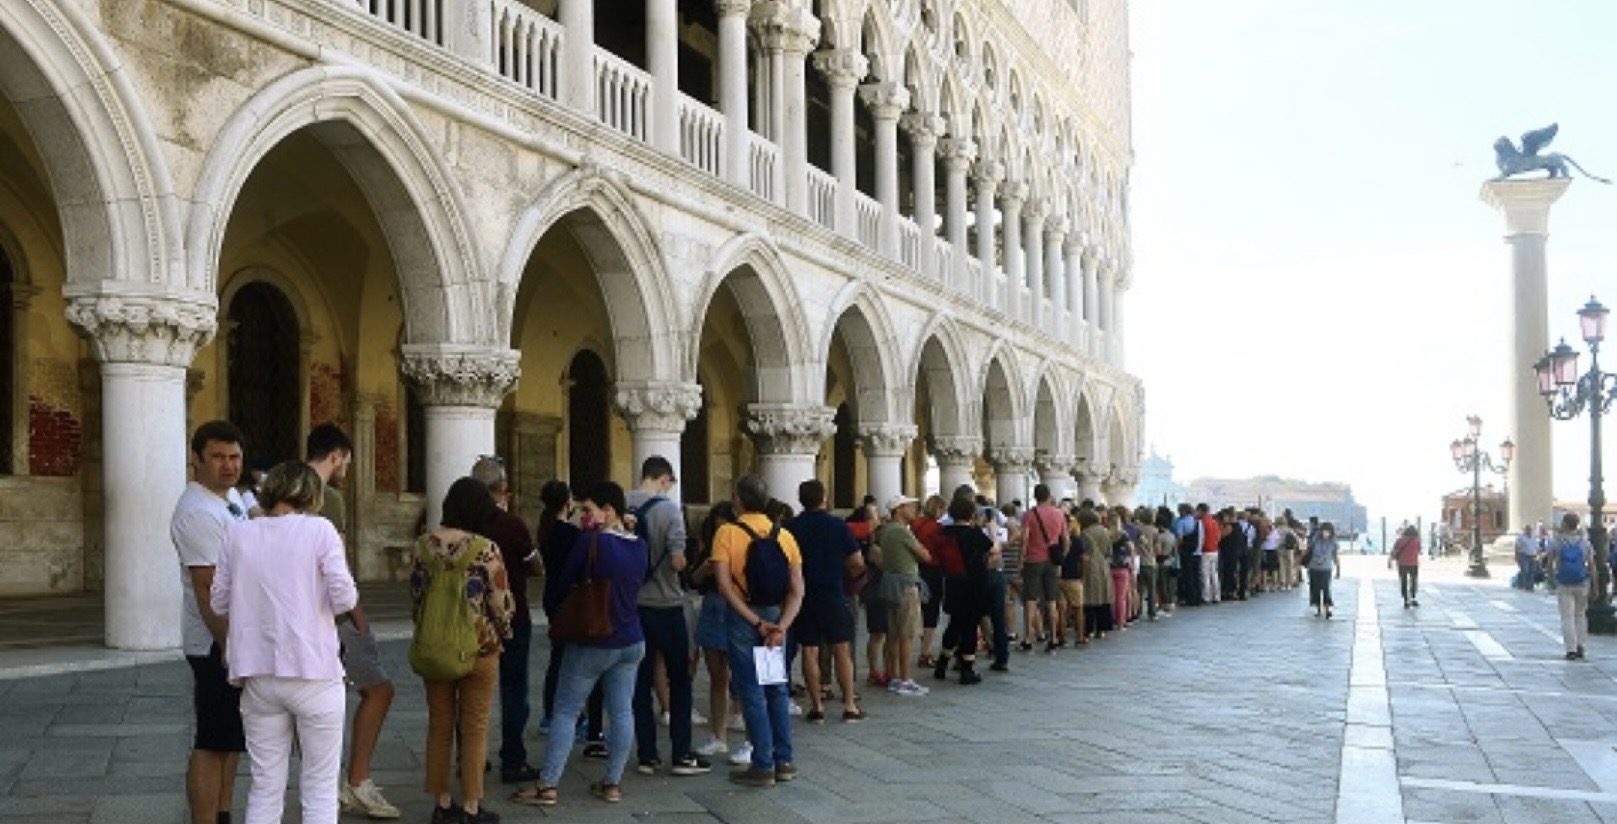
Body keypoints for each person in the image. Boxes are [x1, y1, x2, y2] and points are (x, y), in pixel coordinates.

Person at [210, 461, 357, 824]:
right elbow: (345, 597)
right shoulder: (320, 530)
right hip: (314, 671)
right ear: (311, 494)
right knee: (320, 789)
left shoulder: (238, 533)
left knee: (264, 787)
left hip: (258, 672)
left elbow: (218, 602)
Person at [515, 481, 649, 806]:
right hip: (631, 638)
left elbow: (563, 582)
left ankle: (547, 785)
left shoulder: (591, 542)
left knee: (565, 710)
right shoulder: (640, 545)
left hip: (593, 637)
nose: (584, 516)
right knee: (621, 712)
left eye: (589, 509)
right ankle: (612, 783)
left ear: (609, 510)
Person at [304, 424, 400, 819]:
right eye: (346, 460)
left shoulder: (280, 488)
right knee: (379, 690)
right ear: (337, 456)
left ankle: (327, 787)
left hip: (293, 616)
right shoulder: (329, 498)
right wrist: (360, 619)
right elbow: (336, 567)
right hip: (334, 614)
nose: (345, 467)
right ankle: (357, 782)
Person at [411, 477, 515, 824]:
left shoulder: (423, 546)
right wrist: (504, 631)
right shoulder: (486, 548)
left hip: (436, 648)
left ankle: (441, 803)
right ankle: (471, 806)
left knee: (439, 724)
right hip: (479, 649)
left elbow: (417, 597)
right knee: (474, 727)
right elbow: (500, 603)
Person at [171, 420, 250, 824]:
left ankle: (222, 813)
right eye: (218, 457)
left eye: (234, 457)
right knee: (212, 741)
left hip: (233, 638)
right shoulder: (199, 512)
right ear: (196, 460)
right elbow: (207, 589)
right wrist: (229, 648)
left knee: (229, 740)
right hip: (214, 643)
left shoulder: (227, 498)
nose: (228, 465)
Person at [712, 474, 806, 787]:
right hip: (777, 618)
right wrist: (782, 625)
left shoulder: (727, 532)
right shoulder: (785, 536)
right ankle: (785, 760)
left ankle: (762, 763)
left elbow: (724, 585)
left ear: (738, 500)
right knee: (777, 688)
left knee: (751, 691)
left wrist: (755, 622)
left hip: (744, 617)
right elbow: (797, 589)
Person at [626, 457, 711, 777]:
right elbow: (677, 562)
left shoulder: (622, 504)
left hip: (634, 607)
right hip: (667, 604)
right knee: (680, 680)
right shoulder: (669, 511)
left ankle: (647, 755)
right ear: (664, 480)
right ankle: (681, 753)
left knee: (640, 682)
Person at [467, 456, 544, 786]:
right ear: (499, 490)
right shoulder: (510, 525)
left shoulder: (462, 525)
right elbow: (535, 565)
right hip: (512, 617)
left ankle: (471, 757)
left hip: (470, 619)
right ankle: (513, 759)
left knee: (469, 692)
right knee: (514, 692)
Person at [785, 479, 867, 722]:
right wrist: (843, 574)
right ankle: (850, 705)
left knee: (810, 650)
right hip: (832, 592)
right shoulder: (837, 526)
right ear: (824, 498)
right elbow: (857, 562)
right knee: (841, 648)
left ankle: (817, 706)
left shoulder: (791, 527)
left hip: (803, 596)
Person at [933, 496, 997, 684]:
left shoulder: (944, 532)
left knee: (954, 623)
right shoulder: (973, 533)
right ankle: (967, 668)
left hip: (953, 582)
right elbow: (992, 548)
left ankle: (942, 663)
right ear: (971, 514)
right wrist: (989, 528)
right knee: (970, 625)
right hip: (973, 583)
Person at [874, 495, 932, 694]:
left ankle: (892, 675)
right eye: (910, 507)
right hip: (906, 585)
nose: (914, 510)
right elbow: (925, 555)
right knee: (906, 634)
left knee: (892, 634)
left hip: (889, 584)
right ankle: (905, 678)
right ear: (899, 509)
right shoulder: (902, 532)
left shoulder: (886, 531)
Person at [1020, 484, 1069, 653]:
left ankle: (1028, 638)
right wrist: (1061, 556)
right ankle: (1053, 637)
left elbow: (1025, 540)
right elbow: (1066, 539)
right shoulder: (1059, 514)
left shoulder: (1029, 515)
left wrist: (1021, 560)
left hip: (1033, 560)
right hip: (1051, 562)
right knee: (1052, 600)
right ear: (1049, 496)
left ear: (1035, 496)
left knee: (1030, 600)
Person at [1545, 513, 1595, 661]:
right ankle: (1580, 645)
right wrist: (1595, 585)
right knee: (1580, 615)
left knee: (1567, 617)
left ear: (1565, 524)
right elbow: (1591, 565)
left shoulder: (1557, 541)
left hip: (1564, 583)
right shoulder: (1584, 542)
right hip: (1581, 582)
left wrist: (1552, 578)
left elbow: (1549, 563)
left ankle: (1570, 649)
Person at [911, 496, 946, 670]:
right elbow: (942, 552)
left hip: (915, 569)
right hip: (933, 570)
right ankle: (925, 653)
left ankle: (918, 647)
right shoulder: (938, 528)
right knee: (931, 611)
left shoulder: (915, 524)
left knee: (918, 609)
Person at [1305, 522, 1341, 619]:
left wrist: (1338, 569)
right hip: (1314, 567)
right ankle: (1318, 608)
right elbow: (1309, 551)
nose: (1326, 533)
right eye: (1324, 531)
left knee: (1325, 588)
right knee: (1315, 588)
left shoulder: (1333, 542)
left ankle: (1327, 609)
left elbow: (1335, 556)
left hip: (1326, 568)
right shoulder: (1315, 539)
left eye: (1328, 531)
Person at [1389, 526, 1422, 609]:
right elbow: (1419, 551)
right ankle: (1413, 597)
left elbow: (1394, 550)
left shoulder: (1400, 540)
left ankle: (1406, 600)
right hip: (1413, 563)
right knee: (1413, 581)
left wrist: (1390, 560)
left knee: (1403, 581)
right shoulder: (1417, 541)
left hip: (1402, 563)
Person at [1515, 524, 1538, 591]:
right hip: (1524, 555)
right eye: (1527, 529)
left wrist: (1538, 554)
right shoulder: (1521, 537)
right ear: (1525, 530)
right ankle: (1521, 583)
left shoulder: (1534, 537)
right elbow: (1517, 546)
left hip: (1533, 555)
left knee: (1532, 571)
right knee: (1525, 569)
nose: (1529, 531)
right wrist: (1516, 556)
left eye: (1530, 529)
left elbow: (1536, 546)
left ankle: (1530, 586)